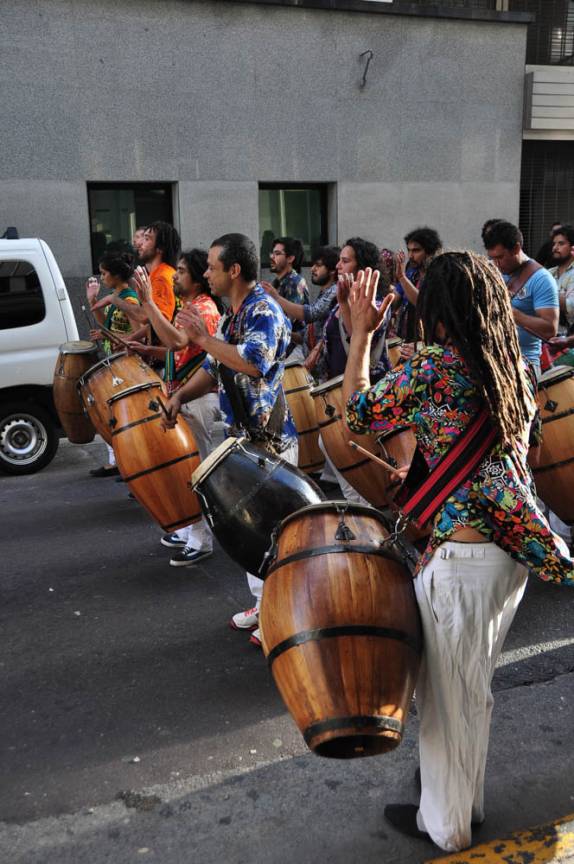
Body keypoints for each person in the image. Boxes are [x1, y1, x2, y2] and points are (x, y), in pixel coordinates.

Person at [342, 254, 573, 853]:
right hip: (507, 557)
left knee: (446, 703)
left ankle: (446, 828)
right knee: (472, 689)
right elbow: (489, 456)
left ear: (440, 313)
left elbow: (358, 413)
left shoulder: (438, 368)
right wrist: (424, 474)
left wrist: (361, 334)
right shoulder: (512, 370)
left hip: (463, 565)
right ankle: (462, 804)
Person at [162, 233, 297, 646]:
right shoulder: (232, 315)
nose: (206, 273)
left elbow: (253, 365)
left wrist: (203, 338)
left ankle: (284, 616)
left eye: (212, 267)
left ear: (234, 270)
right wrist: (181, 394)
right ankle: (264, 605)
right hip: (244, 445)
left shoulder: (265, 312)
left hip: (270, 445)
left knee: (275, 537)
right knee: (250, 532)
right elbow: (216, 365)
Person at [128, 250, 222, 566]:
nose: (175, 276)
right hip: (185, 398)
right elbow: (176, 348)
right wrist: (150, 348)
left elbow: (180, 342)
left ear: (196, 278)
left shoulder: (204, 308)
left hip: (201, 401)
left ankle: (202, 539)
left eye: (181, 271)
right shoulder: (189, 307)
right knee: (186, 469)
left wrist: (149, 303)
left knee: (198, 470)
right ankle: (189, 529)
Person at [85, 250, 140, 477]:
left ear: (117, 275)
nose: (102, 277)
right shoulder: (116, 294)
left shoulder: (129, 299)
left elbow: (139, 335)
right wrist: (93, 301)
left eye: (105, 273)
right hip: (113, 359)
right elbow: (106, 324)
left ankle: (128, 462)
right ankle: (116, 461)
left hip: (126, 362)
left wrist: (106, 337)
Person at [484, 220, 558, 377]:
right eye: (492, 258)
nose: (495, 264)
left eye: (500, 257)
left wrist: (512, 313)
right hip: (490, 361)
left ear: (516, 248)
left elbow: (550, 329)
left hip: (524, 364)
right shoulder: (491, 270)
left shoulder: (542, 279)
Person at [262, 245, 339, 383]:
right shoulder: (324, 292)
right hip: (312, 366)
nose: (313, 269)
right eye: (313, 264)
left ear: (333, 270)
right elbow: (306, 334)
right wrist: (283, 332)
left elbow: (311, 313)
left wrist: (276, 298)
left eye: (318, 265)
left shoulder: (335, 291)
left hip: (325, 372)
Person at [393, 227, 442, 343]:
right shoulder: (411, 273)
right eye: (408, 250)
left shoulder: (439, 276)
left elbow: (423, 303)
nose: (410, 255)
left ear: (430, 252)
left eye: (416, 251)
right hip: (406, 342)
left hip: (430, 345)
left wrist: (402, 277)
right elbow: (394, 302)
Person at [266, 237, 309, 362]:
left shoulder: (295, 282)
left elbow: (285, 321)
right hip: (282, 348)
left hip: (294, 350)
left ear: (290, 258)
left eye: (277, 253)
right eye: (272, 253)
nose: (272, 257)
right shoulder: (277, 282)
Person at [547, 223, 574, 367]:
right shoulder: (548, 273)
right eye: (554, 244)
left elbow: (571, 306)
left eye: (561, 243)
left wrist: (544, 295)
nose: (555, 248)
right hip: (548, 340)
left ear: (572, 247)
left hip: (568, 342)